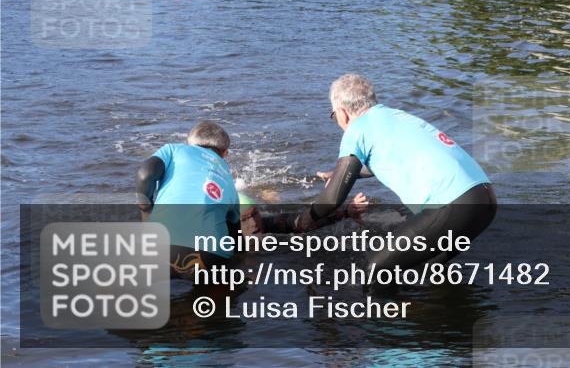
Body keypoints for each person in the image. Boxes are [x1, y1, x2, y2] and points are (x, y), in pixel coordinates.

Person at [264, 73, 496, 277]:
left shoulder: (357, 129)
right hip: (485, 200)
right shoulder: (396, 116)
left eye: (334, 117)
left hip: (453, 205)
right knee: (426, 272)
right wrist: (342, 174)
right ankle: (433, 322)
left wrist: (304, 220)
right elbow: (391, 160)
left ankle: (385, 325)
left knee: (376, 270)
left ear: (342, 113)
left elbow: (331, 201)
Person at [135, 121, 245, 278]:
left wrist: (145, 210)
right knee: (212, 294)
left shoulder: (173, 150)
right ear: (225, 153)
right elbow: (236, 238)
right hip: (210, 256)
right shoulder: (229, 181)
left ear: (189, 143)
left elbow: (144, 175)